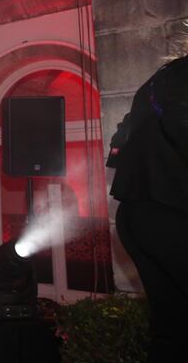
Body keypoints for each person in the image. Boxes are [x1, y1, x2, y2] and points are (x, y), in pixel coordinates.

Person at [110, 54, 188, 362]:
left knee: (173, 329)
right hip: (167, 213)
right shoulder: (181, 74)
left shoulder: (165, 76)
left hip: (143, 212)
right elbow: (181, 121)